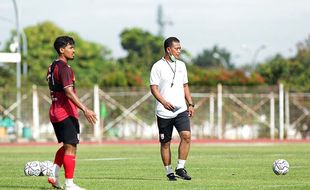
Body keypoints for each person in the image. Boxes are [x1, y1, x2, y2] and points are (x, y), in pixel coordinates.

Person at [46, 36, 97, 190]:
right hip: (65, 112)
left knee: (68, 144)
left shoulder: (52, 66)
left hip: (54, 111)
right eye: (70, 47)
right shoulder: (64, 68)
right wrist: (85, 109)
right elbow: (68, 91)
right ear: (62, 50)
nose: (74, 50)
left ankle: (54, 175)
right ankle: (69, 184)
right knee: (71, 147)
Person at [150, 37, 195, 181]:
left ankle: (180, 167)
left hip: (181, 109)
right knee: (165, 143)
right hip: (164, 112)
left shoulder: (182, 65)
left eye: (180, 48)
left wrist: (190, 103)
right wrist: (163, 102)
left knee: (186, 136)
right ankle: (169, 172)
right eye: (177, 48)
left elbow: (185, 85)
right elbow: (153, 88)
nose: (179, 51)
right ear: (169, 49)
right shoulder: (157, 66)